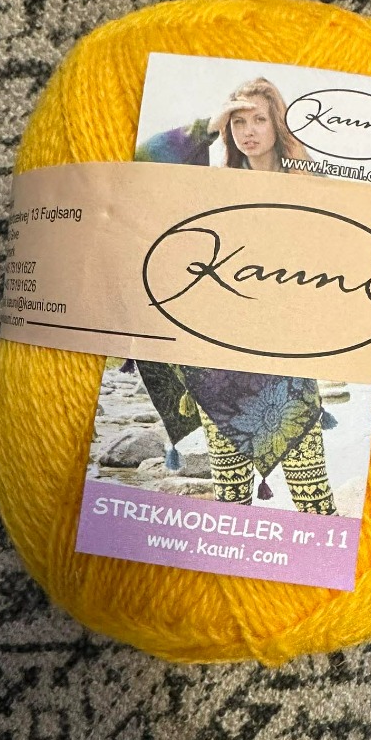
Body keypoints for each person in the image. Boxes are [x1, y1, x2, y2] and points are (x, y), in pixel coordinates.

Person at [133, 78, 337, 515]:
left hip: (285, 362)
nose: (248, 131)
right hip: (218, 366)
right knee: (231, 500)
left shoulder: (308, 181)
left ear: (277, 123)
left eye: (259, 119)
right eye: (238, 122)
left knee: (314, 496)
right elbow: (142, 164)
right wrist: (207, 126)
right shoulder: (217, 185)